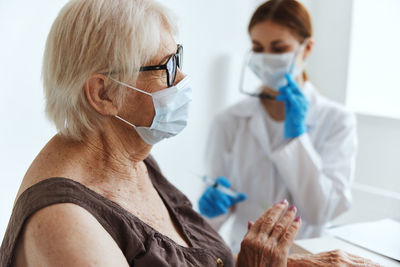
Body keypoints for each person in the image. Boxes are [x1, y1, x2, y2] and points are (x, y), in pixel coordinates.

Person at [0, 0, 376, 266]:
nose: (181, 79)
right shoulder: (65, 223)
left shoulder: (138, 160)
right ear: (103, 93)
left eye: (178, 58)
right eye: (165, 67)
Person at [199, 0, 358, 253]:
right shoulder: (228, 121)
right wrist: (210, 211)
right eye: (258, 48)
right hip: (243, 256)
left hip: (305, 257)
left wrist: (298, 139)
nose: (266, 58)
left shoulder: (337, 120)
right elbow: (210, 224)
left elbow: (322, 211)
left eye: (279, 48)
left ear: (307, 49)